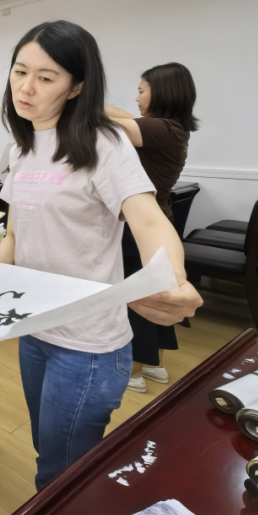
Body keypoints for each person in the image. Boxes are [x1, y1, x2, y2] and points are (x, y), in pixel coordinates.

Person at [0, 21, 202, 491]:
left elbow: (147, 220)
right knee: (49, 455)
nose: (26, 88)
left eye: (46, 77)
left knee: (61, 476)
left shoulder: (103, 143)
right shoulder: (22, 149)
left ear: (76, 87)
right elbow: (14, 234)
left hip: (86, 345)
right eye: (20, 72)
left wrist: (172, 279)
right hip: (34, 331)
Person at [105, 63, 199, 393]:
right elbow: (125, 116)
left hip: (140, 226)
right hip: (160, 221)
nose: (137, 97)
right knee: (157, 292)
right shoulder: (173, 129)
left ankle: (132, 372)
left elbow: (111, 122)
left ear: (161, 93)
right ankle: (155, 365)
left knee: (138, 297)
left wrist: (79, 97)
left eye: (141, 90)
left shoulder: (159, 129)